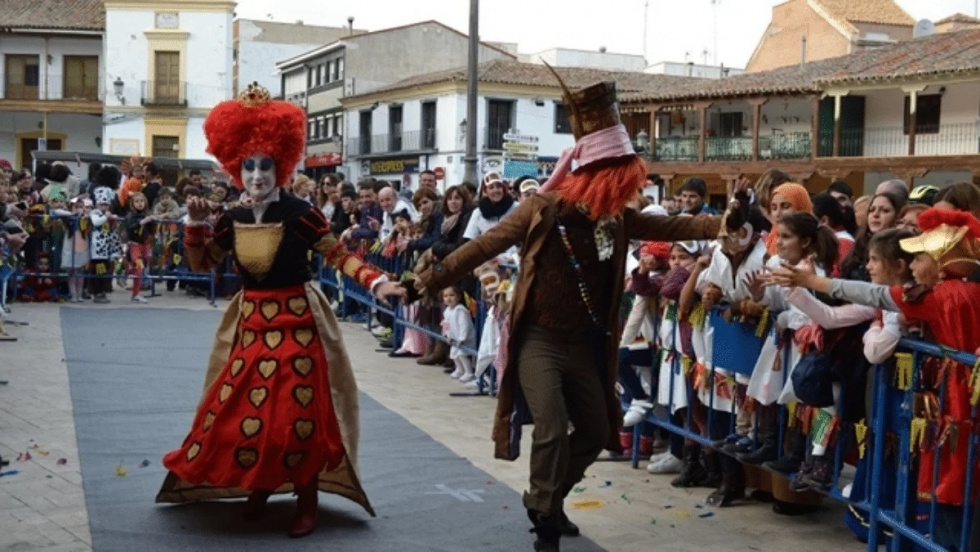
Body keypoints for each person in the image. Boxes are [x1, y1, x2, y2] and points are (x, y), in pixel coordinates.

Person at [415, 75, 721, 551]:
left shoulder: (617, 218)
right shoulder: (542, 209)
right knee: (553, 430)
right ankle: (543, 515)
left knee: (599, 431)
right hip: (540, 339)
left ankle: (550, 500)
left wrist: (726, 223)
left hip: (585, 345)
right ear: (598, 172)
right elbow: (485, 245)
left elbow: (678, 221)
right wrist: (431, 278)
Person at [156, 84, 406, 538]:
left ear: (281, 166)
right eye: (248, 165)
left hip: (299, 324)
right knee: (240, 414)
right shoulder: (229, 217)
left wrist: (378, 280)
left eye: (264, 165)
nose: (255, 175)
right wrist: (193, 226)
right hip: (250, 326)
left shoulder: (302, 212)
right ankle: (261, 485)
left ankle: (306, 498)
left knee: (298, 415)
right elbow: (202, 263)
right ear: (236, 167)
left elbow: (337, 255)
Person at [767, 209, 980, 551]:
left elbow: (875, 317)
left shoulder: (939, 297)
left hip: (948, 404)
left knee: (947, 482)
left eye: (920, 256)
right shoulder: (957, 293)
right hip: (945, 400)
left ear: (942, 262)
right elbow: (838, 314)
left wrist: (817, 285)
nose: (912, 265)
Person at [123, 192, 155, 303]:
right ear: (132, 203)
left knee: (143, 267)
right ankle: (124, 274)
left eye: (142, 201)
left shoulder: (147, 214)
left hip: (144, 245)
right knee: (139, 267)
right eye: (137, 201)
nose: (140, 203)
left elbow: (151, 231)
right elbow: (130, 229)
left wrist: (152, 221)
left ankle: (135, 293)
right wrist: (141, 222)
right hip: (134, 245)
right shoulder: (130, 215)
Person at [442, 285, 477, 382]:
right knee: (453, 354)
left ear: (458, 297)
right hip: (455, 338)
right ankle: (460, 370)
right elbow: (447, 325)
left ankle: (469, 372)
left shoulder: (461, 310)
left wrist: (462, 337)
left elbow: (464, 325)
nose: (448, 298)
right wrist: (449, 335)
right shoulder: (447, 311)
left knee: (462, 354)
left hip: (465, 338)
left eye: (452, 295)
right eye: (445, 296)